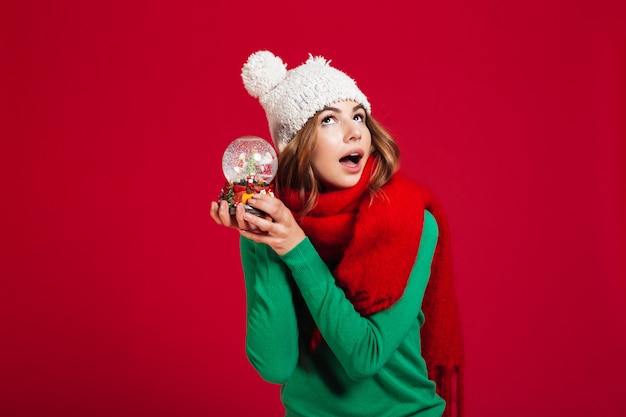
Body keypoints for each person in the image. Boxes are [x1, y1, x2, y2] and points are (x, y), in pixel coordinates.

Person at [210, 50, 464, 417]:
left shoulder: (411, 222)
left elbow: (365, 356)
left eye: (358, 116)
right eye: (329, 119)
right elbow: (275, 364)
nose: (354, 131)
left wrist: (296, 249)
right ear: (295, 144)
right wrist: (262, 239)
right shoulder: (279, 224)